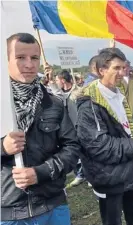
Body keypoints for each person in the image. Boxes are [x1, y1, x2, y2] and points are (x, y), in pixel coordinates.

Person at [1, 33, 79, 224]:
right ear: (6, 59)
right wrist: (3, 147)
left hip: (53, 204)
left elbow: (72, 148)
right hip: (10, 211)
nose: (29, 64)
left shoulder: (53, 103)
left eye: (34, 58)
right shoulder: (2, 104)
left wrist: (41, 172)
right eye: (20, 58)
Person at [76, 48, 133, 225]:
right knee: (113, 221)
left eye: (124, 68)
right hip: (108, 175)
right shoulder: (90, 103)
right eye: (116, 68)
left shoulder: (119, 94)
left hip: (128, 169)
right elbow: (97, 145)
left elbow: (126, 130)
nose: (122, 73)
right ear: (101, 70)